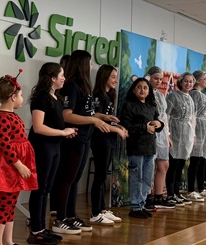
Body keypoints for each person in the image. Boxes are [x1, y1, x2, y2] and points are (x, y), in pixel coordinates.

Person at [54, 50, 112, 233]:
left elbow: (86, 112)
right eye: (90, 62)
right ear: (83, 64)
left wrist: (100, 118)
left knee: (75, 179)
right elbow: (67, 115)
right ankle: (60, 219)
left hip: (85, 139)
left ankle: (71, 215)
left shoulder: (84, 87)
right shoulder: (71, 86)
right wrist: (93, 120)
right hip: (73, 138)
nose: (92, 66)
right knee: (67, 178)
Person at [0, 72, 36, 245]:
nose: (22, 99)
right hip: (7, 168)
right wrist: (19, 164)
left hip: (14, 167)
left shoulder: (12, 116)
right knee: (5, 204)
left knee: (11, 204)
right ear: (13, 97)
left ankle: (8, 241)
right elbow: (5, 144)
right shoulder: (2, 118)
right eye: (20, 95)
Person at [27, 63, 76, 245]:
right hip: (42, 147)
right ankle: (36, 230)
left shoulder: (56, 98)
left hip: (54, 147)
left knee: (46, 188)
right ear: (53, 78)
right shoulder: (41, 97)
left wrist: (65, 132)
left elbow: (54, 124)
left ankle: (41, 228)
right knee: (39, 188)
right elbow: (38, 127)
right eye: (61, 75)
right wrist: (63, 132)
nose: (64, 78)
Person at [119, 77, 163, 219]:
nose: (142, 90)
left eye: (145, 88)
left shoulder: (151, 105)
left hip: (150, 147)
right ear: (133, 90)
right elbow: (126, 125)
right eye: (139, 87)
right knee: (136, 177)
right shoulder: (129, 105)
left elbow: (158, 121)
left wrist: (159, 124)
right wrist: (144, 127)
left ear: (149, 91)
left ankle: (142, 204)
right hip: (136, 147)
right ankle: (135, 206)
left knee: (147, 179)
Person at [89, 65, 127, 225]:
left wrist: (118, 127)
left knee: (103, 175)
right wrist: (116, 129)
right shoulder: (98, 96)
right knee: (100, 176)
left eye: (116, 77)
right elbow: (94, 117)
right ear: (104, 76)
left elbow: (107, 119)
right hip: (100, 139)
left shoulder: (109, 95)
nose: (116, 80)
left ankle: (102, 209)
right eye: (113, 76)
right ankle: (95, 213)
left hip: (109, 139)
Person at [145, 66, 176, 210]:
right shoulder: (146, 92)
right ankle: (147, 197)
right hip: (150, 131)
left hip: (162, 132)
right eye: (155, 78)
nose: (158, 81)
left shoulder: (161, 95)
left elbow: (164, 116)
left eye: (160, 79)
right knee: (149, 166)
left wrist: (167, 135)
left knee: (164, 165)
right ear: (149, 77)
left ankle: (159, 196)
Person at [166, 72, 196, 204]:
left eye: (191, 82)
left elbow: (192, 118)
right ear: (181, 82)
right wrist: (167, 134)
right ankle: (170, 194)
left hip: (186, 134)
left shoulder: (190, 98)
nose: (188, 84)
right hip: (175, 131)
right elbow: (166, 115)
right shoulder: (173, 96)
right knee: (173, 164)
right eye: (186, 81)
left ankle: (177, 192)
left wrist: (193, 135)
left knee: (181, 165)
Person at [188, 70, 206, 201]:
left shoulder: (202, 94)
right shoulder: (195, 94)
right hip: (197, 127)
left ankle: (201, 187)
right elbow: (193, 113)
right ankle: (191, 189)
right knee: (195, 158)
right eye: (204, 78)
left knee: (202, 158)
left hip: (203, 127)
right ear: (197, 80)